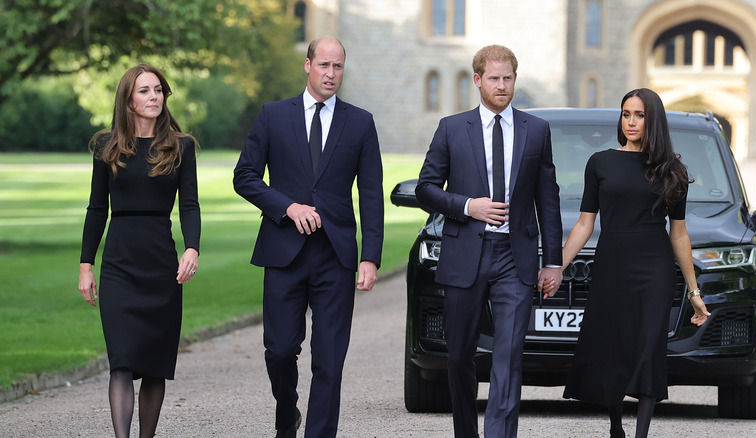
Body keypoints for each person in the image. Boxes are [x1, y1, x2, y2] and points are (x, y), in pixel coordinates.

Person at [233, 36, 384, 438]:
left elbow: (371, 195)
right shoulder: (273, 116)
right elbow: (244, 177)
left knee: (329, 360)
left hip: (335, 256)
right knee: (280, 351)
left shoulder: (360, 122)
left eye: (338, 67)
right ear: (308, 65)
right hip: (284, 251)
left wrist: (370, 257)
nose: (331, 74)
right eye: (324, 65)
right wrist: (287, 207)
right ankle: (287, 411)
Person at [415, 44, 563, 438]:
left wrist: (552, 261)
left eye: (508, 78)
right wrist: (468, 206)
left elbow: (548, 199)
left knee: (509, 354)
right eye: (494, 78)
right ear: (477, 80)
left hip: (515, 258)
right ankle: (466, 431)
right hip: (466, 253)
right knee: (460, 353)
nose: (502, 86)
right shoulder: (451, 128)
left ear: (516, 78)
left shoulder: (536, 130)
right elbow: (427, 188)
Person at [546, 88, 710, 438]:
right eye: (626, 114)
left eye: (639, 115)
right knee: (614, 344)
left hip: (654, 269)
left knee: (650, 345)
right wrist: (556, 264)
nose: (631, 122)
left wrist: (694, 290)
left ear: (654, 122)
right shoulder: (601, 162)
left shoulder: (673, 170)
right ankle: (616, 426)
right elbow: (584, 223)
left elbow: (679, 234)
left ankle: (641, 434)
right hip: (612, 265)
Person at [77, 64, 201, 438]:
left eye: (158, 90)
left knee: (155, 364)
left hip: (161, 264)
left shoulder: (181, 147)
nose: (154, 98)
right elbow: (97, 208)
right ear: (128, 100)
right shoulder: (106, 146)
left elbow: (190, 205)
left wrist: (192, 248)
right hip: (119, 264)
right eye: (145, 91)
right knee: (122, 363)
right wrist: (86, 264)